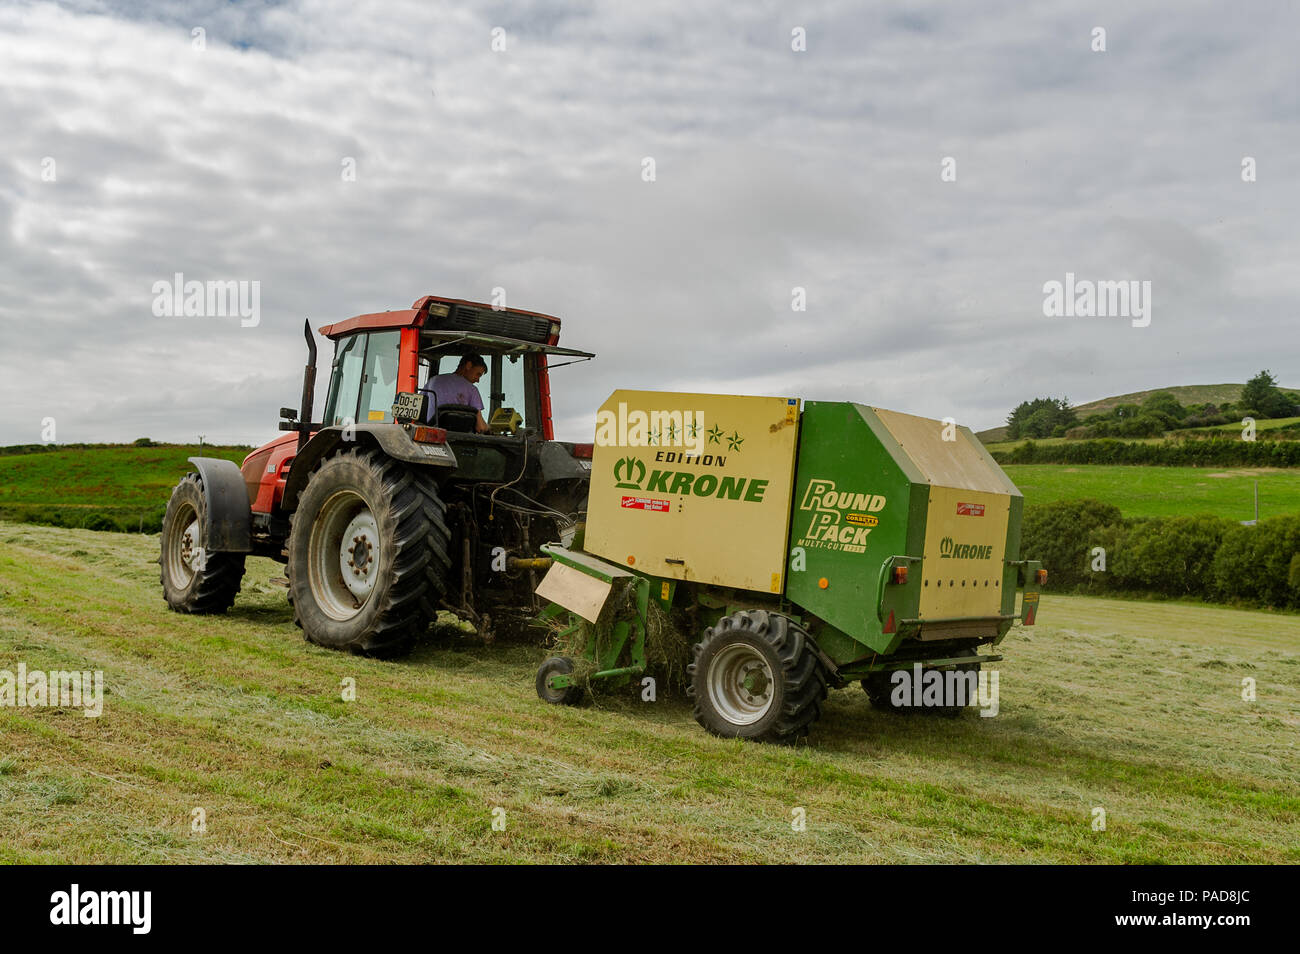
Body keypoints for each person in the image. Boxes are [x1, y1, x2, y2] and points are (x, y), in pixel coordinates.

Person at [422, 354, 491, 433]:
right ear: (468, 365)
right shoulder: (472, 390)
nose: (478, 380)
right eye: (478, 374)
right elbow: (480, 427)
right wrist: (488, 427)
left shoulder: (433, 380)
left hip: (432, 432)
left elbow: (420, 405)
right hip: (460, 438)